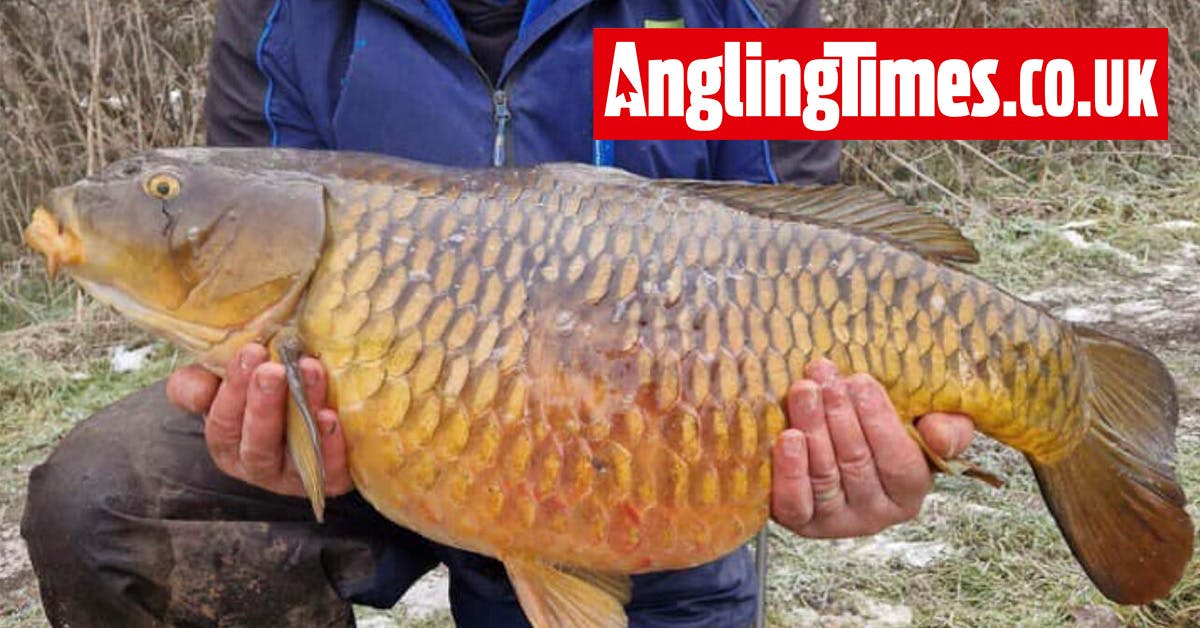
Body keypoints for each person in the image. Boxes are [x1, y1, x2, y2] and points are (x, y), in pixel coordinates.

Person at [21, 1, 975, 626]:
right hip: (380, 433)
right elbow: (244, 213)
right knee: (107, 498)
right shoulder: (287, 16)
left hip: (647, 461)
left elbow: (814, 253)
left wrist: (854, 458)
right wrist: (255, 413)